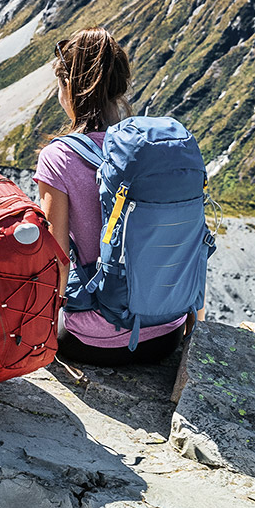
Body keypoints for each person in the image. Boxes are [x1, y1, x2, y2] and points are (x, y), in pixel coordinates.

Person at [35, 27, 196, 366]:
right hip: (167, 332)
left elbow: (55, 261)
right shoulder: (155, 151)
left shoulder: (59, 157)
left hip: (96, 340)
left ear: (67, 89)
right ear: (121, 87)